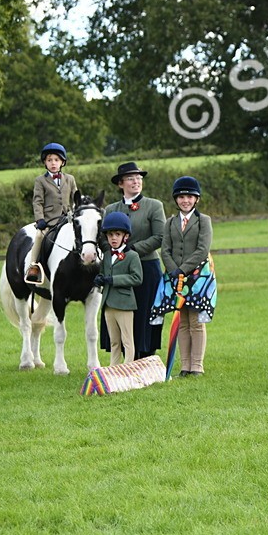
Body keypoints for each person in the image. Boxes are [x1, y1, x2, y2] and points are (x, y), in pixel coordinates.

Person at [104, 161, 166, 360]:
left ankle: (147, 356)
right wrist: (117, 255)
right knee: (120, 313)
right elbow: (102, 239)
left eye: (139, 178)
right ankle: (123, 358)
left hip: (147, 268)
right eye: (130, 178)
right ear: (120, 183)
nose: (136, 182)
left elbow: (160, 236)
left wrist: (132, 250)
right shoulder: (111, 209)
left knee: (146, 314)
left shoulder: (154, 206)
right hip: (119, 270)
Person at [159, 176, 215, 376]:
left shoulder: (204, 221)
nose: (185, 200)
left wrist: (182, 269)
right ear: (176, 199)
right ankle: (184, 366)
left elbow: (202, 250)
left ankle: (197, 366)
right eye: (182, 197)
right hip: (175, 277)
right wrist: (173, 270)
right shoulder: (170, 222)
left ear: (196, 199)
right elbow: (165, 249)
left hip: (197, 277)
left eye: (190, 197)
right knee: (181, 321)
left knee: (195, 321)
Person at [25, 142, 79, 285]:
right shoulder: (40, 181)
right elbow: (37, 202)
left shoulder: (70, 179)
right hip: (49, 220)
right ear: (45, 163)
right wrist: (40, 219)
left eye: (56, 160)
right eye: (49, 160)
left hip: (67, 219)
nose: (53, 163)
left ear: (62, 162)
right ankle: (34, 266)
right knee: (39, 236)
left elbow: (76, 198)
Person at [94, 211, 143, 365]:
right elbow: (104, 271)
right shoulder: (107, 255)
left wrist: (113, 280)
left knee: (127, 341)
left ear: (125, 237)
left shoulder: (132, 256)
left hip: (124, 304)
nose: (113, 238)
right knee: (114, 342)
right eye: (110, 235)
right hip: (108, 303)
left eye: (117, 234)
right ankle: (113, 369)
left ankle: (128, 369)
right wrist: (100, 279)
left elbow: (137, 278)